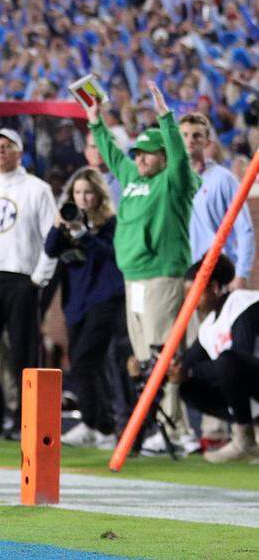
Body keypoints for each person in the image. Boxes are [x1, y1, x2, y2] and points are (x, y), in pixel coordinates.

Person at [87, 83, 201, 452]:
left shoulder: (174, 183)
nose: (139, 159)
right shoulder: (133, 178)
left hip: (162, 277)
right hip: (133, 280)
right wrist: (96, 123)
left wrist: (166, 118)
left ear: (164, 155)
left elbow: (182, 160)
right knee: (143, 361)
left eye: (148, 154)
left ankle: (180, 430)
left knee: (163, 355)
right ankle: (158, 428)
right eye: (138, 154)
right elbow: (112, 154)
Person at [0, 128, 58, 438]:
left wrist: (39, 278)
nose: (1, 151)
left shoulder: (38, 189)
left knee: (24, 353)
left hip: (23, 277)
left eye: (7, 146)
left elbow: (53, 237)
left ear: (19, 151)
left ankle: (25, 419)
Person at [45, 167, 123, 447]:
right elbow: (50, 250)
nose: (82, 198)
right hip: (75, 303)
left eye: (88, 192)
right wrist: (59, 224)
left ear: (99, 194)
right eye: (77, 193)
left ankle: (99, 425)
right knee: (90, 365)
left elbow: (106, 252)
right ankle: (99, 425)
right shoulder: (69, 220)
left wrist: (83, 233)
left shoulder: (111, 222)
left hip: (104, 301)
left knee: (84, 362)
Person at [172, 256, 259, 463]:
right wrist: (174, 369)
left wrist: (191, 370)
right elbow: (188, 364)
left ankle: (244, 437)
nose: (190, 304)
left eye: (194, 295)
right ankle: (255, 425)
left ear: (213, 287)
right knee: (188, 388)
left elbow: (241, 357)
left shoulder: (243, 303)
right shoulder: (208, 327)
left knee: (228, 360)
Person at [179, 113, 253, 291]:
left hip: (220, 273)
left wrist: (242, 274)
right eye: (185, 135)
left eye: (197, 135)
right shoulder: (172, 180)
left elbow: (245, 229)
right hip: (185, 273)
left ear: (207, 142)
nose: (190, 140)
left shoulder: (223, 179)